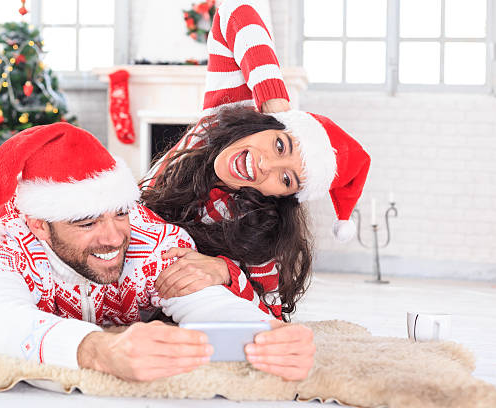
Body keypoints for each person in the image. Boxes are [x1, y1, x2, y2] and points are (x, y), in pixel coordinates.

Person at [0, 122, 316, 382]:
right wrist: (98, 351)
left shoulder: (152, 240)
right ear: (39, 226)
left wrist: (264, 336)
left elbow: (203, 301)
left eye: (120, 214)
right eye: (86, 223)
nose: (113, 238)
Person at [141, 0, 371, 320]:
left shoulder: (258, 223)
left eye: (286, 179)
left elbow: (273, 312)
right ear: (267, 123)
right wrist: (276, 105)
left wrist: (225, 271)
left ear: (282, 197)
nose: (266, 166)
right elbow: (234, 10)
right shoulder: (220, 122)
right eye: (280, 146)